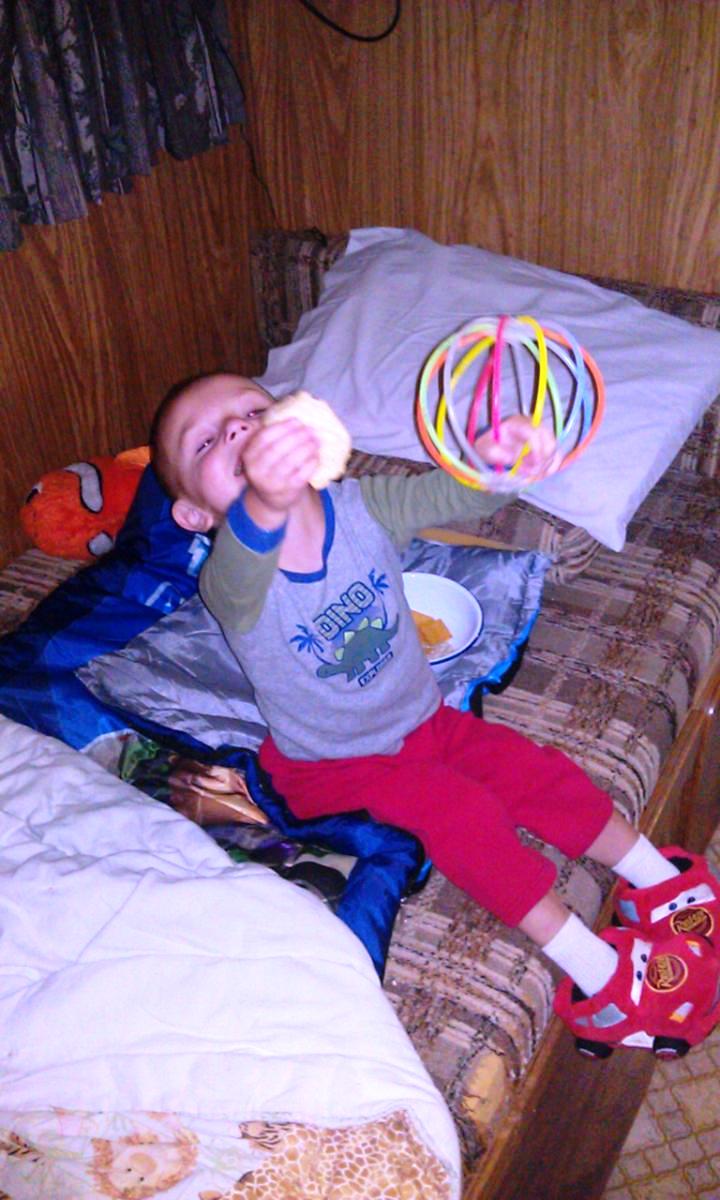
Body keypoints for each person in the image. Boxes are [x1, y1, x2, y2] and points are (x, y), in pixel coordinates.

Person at [151, 371, 720, 1051]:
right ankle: (598, 972)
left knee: (532, 769)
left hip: (426, 720)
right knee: (460, 813)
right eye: (208, 441)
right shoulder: (228, 577)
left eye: (253, 410)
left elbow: (452, 495)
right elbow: (244, 558)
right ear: (194, 514)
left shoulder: (360, 506)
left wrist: (501, 464)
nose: (239, 429)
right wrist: (263, 505)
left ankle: (660, 880)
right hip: (332, 769)